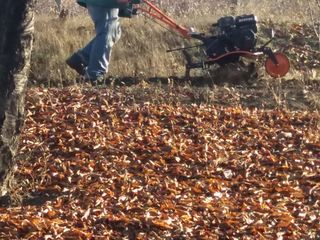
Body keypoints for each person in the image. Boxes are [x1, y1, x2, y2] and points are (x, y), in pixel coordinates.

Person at [66, 0, 123, 85]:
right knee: (107, 33)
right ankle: (95, 74)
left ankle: (82, 58)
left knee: (114, 32)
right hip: (102, 2)